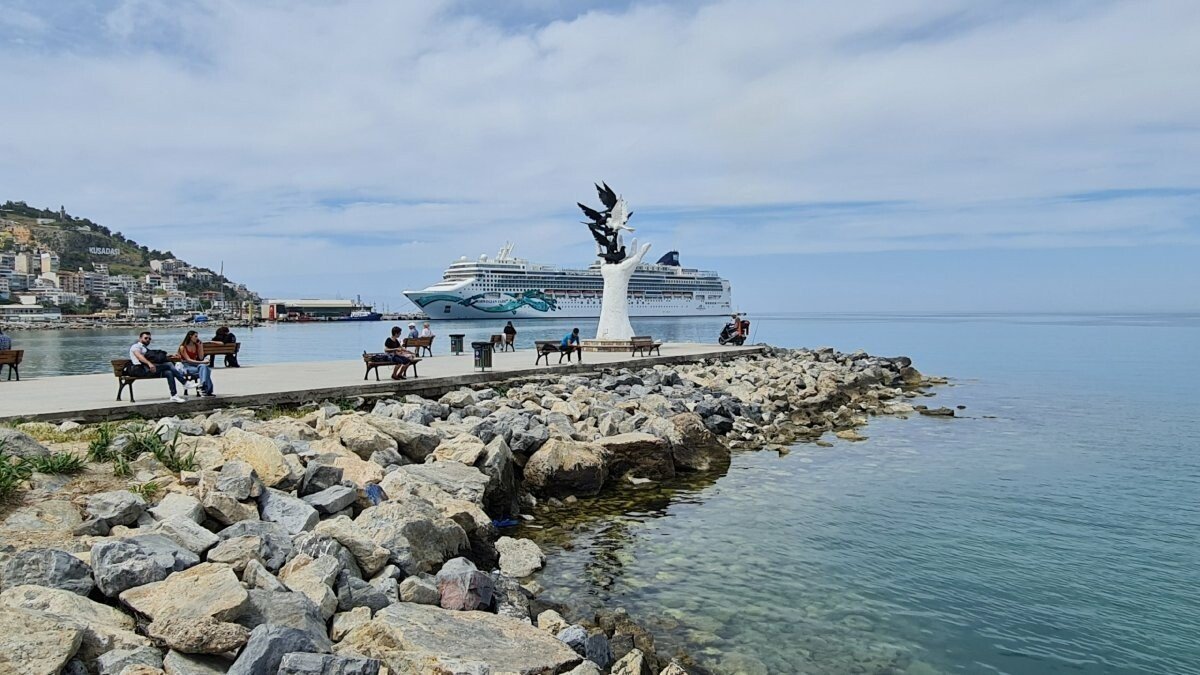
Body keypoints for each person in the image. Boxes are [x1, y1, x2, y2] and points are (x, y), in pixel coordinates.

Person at [128, 331, 190, 403]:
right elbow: (139, 356)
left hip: (147, 369)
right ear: (140, 338)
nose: (148, 340)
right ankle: (184, 383)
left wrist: (169, 356)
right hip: (140, 370)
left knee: (169, 373)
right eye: (146, 338)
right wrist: (149, 364)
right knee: (169, 365)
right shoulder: (136, 346)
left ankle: (174, 395)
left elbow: (153, 358)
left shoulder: (144, 348)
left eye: (149, 339)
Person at [177, 330, 215, 396]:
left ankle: (202, 385)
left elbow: (201, 357)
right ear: (190, 336)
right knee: (206, 369)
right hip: (187, 366)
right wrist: (202, 362)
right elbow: (188, 360)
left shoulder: (196, 345)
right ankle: (207, 390)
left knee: (204, 367)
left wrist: (200, 346)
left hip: (195, 365)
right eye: (195, 336)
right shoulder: (183, 347)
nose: (197, 338)